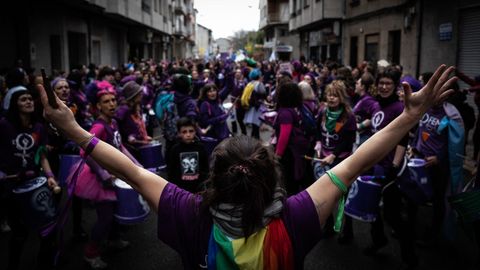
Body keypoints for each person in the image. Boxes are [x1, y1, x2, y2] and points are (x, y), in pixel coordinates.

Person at [38, 65, 456, 269]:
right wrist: (408, 118)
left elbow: (133, 172)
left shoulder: (190, 213)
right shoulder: (296, 217)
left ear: (212, 179)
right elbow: (354, 164)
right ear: (272, 179)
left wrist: (74, 130)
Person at [75, 81, 138, 269]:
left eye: (113, 101)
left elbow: (121, 146)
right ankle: (90, 253)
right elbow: (83, 152)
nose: (112, 104)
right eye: (106, 102)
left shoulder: (114, 122)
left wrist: (137, 164)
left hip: (114, 174)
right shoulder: (99, 127)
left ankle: (113, 239)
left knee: (116, 211)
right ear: (98, 106)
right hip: (99, 179)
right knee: (105, 218)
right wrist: (102, 174)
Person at [0, 86, 59, 270]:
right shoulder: (4, 125)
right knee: (20, 233)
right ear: (14, 104)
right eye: (23, 99)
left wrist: (50, 176)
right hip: (11, 186)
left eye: (30, 99)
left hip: (34, 184)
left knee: (47, 229)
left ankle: (44, 264)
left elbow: (41, 156)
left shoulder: (39, 127)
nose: (28, 102)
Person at [274, 82, 311, 195]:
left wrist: (278, 154)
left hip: (289, 152)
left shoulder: (285, 113)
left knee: (289, 182)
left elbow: (284, 135)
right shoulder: (295, 109)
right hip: (297, 149)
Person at [167, 117, 209, 193]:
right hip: (182, 190)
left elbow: (206, 167)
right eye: (184, 132)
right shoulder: (175, 149)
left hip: (199, 189)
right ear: (179, 133)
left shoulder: (200, 147)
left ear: (195, 132)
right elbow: (171, 171)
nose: (188, 134)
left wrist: (205, 185)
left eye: (191, 131)